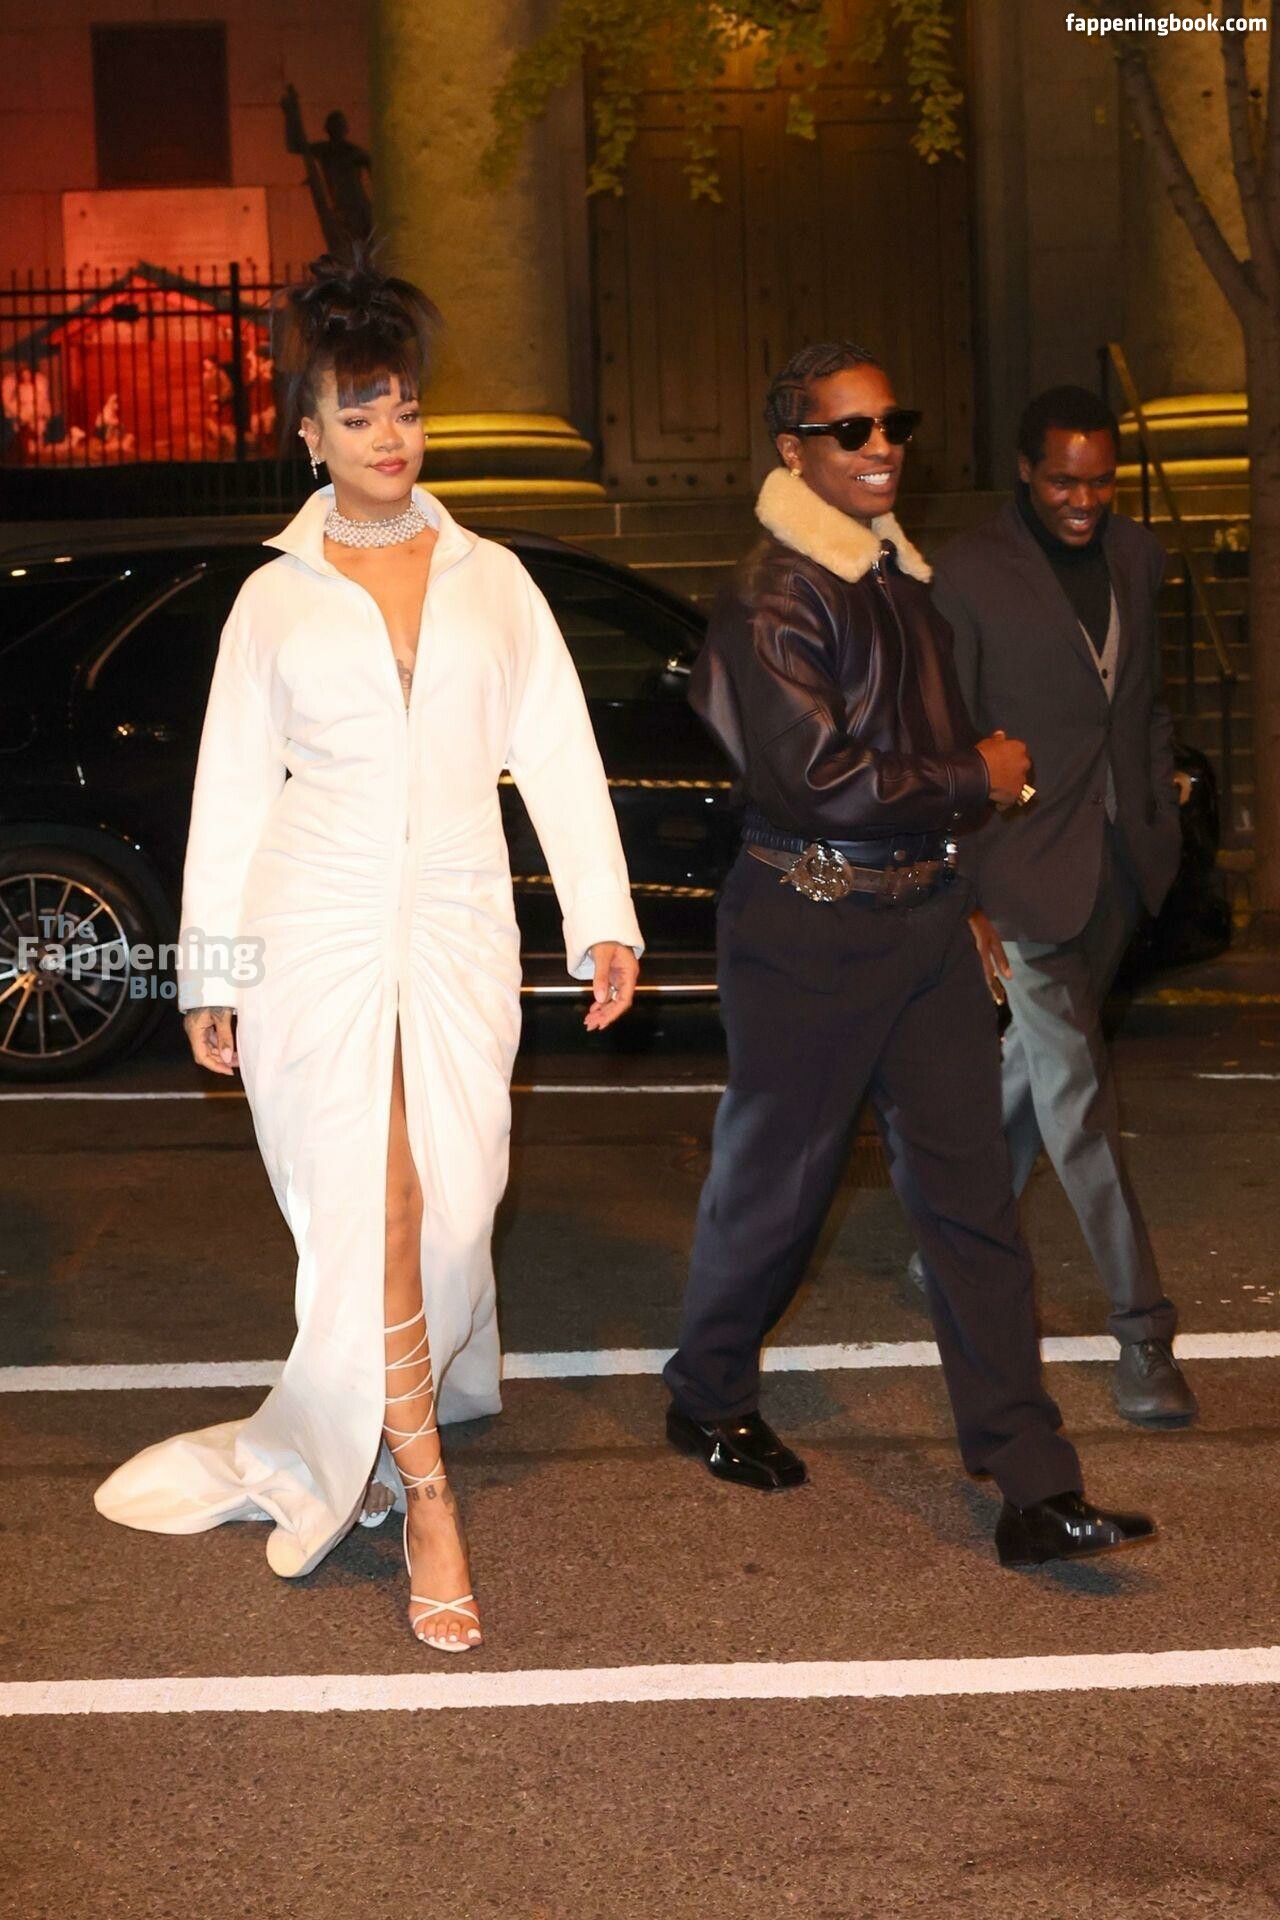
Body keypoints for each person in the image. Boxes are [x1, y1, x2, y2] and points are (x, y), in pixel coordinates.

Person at [93, 248, 644, 1647]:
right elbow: (229, 790)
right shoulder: (274, 597)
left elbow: (558, 754)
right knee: (370, 1208)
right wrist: (212, 973)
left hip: (457, 923)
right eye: (358, 413)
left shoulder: (492, 580)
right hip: (313, 928)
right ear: (309, 435)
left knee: (454, 1203)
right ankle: (426, 1491)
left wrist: (600, 916)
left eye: (403, 407)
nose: (390, 435)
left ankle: (373, 1428)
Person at [662, 340, 1156, 1567]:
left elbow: (917, 759)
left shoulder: (895, 575)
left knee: (972, 1206)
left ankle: (1033, 1486)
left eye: (892, 424)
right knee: (777, 1188)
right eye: (851, 430)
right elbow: (817, 779)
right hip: (807, 924)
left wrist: (964, 882)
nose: (880, 445)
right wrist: (972, 777)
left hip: (924, 917)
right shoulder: (771, 595)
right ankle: (708, 1393)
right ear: (793, 451)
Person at [913, 386, 1196, 1427]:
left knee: (1036, 1069)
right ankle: (1142, 1334)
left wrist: (1155, 815)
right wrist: (963, 886)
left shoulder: (1138, 557)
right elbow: (947, 739)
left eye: (1101, 481)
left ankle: (944, 1228)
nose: (1084, 501)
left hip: (1119, 863)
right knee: (1077, 1096)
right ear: (1026, 473)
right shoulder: (968, 573)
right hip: (1020, 873)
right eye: (1064, 482)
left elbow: (1142, 704)